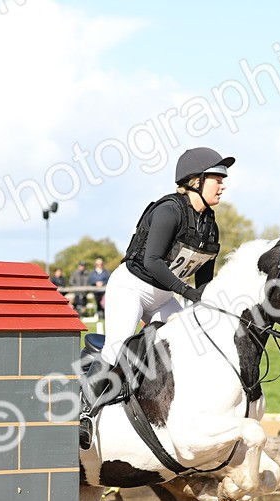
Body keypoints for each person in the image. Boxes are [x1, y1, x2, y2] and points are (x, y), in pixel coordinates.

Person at [77, 146, 232, 449]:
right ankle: (84, 414)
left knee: (188, 343)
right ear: (196, 181)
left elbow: (203, 280)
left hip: (163, 295)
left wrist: (209, 305)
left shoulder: (208, 224)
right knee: (117, 348)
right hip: (132, 287)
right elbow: (152, 261)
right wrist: (186, 292)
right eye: (217, 179)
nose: (222, 185)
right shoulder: (168, 211)